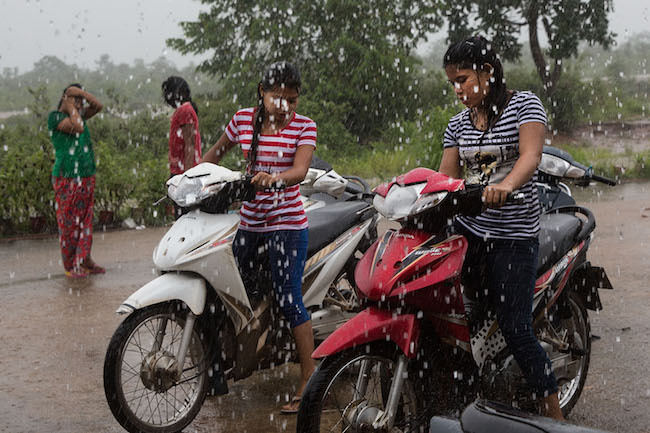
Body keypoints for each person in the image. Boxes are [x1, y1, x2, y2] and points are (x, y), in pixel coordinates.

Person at [438, 36, 565, 420]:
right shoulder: (457, 124)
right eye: (452, 84)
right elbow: (445, 179)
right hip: (470, 235)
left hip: (513, 235)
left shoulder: (524, 105)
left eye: (462, 79)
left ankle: (553, 414)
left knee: (516, 328)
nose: (458, 90)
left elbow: (530, 155)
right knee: (449, 317)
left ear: (487, 72)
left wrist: (506, 186)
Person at [201, 61, 317, 414]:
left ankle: (309, 380)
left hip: (287, 226)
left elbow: (299, 170)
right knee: (229, 296)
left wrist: (275, 177)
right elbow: (214, 155)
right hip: (249, 225)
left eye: (291, 99)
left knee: (288, 299)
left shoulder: (305, 127)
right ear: (261, 93)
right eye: (276, 97)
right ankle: (220, 368)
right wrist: (195, 178)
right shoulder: (242, 120)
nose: (284, 106)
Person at [48, 84, 105, 278]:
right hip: (67, 177)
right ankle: (70, 265)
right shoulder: (56, 117)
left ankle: (85, 260)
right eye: (76, 100)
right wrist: (69, 104)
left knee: (86, 220)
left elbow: (98, 106)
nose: (80, 104)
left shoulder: (79, 116)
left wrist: (79, 93)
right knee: (69, 223)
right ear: (64, 99)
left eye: (80, 101)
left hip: (86, 174)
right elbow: (78, 128)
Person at [162, 76, 202, 217]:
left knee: (185, 218)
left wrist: (186, 178)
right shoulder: (183, 110)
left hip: (183, 174)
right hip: (180, 173)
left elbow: (189, 146)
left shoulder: (185, 111)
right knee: (184, 217)